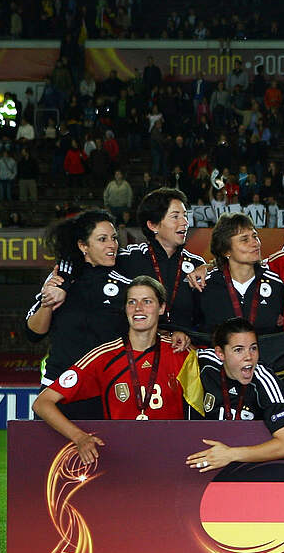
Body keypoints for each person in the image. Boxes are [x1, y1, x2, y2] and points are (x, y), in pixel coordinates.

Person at [33, 277, 197, 463]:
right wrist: (79, 437)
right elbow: (42, 403)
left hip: (172, 459)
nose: (138, 308)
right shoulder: (103, 356)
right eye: (132, 302)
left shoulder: (181, 353)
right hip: (121, 461)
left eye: (147, 302)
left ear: (161, 308)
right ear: (125, 309)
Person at [26, 211, 133, 408]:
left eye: (114, 238)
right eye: (103, 239)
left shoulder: (127, 283)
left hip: (108, 390)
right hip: (58, 391)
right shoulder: (61, 279)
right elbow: (33, 334)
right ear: (83, 246)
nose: (112, 245)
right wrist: (48, 301)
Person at [184, 317, 284, 472]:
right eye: (238, 350)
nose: (248, 356)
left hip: (251, 468)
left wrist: (230, 455)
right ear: (220, 353)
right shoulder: (203, 363)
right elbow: (177, 345)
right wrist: (177, 334)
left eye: (253, 348)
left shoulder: (265, 381)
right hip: (201, 461)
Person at [171, 212, 284, 335]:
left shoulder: (276, 284)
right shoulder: (205, 287)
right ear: (226, 250)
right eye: (245, 239)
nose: (255, 243)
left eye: (255, 236)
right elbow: (189, 328)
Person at [115, 189, 208, 323]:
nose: (185, 222)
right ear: (153, 225)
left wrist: (210, 266)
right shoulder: (129, 259)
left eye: (185, 216)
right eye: (175, 217)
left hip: (184, 336)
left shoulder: (197, 265)